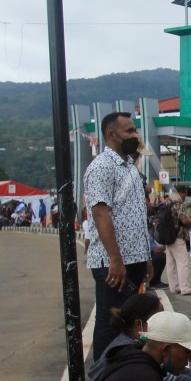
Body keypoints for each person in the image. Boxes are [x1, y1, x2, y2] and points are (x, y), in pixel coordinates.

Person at [84, 112, 152, 359]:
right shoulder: (102, 167)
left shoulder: (129, 167)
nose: (135, 136)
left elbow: (136, 214)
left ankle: (124, 369)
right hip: (112, 262)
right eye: (129, 131)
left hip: (134, 259)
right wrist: (115, 259)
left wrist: (146, 258)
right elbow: (101, 214)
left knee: (129, 321)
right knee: (110, 319)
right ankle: (103, 374)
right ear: (111, 135)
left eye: (135, 130)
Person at [166, 184, 191, 296]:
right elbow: (184, 220)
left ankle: (174, 287)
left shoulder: (168, 201)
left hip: (168, 235)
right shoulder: (177, 203)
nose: (185, 196)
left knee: (171, 263)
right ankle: (184, 288)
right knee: (182, 263)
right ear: (182, 192)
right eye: (185, 193)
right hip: (177, 235)